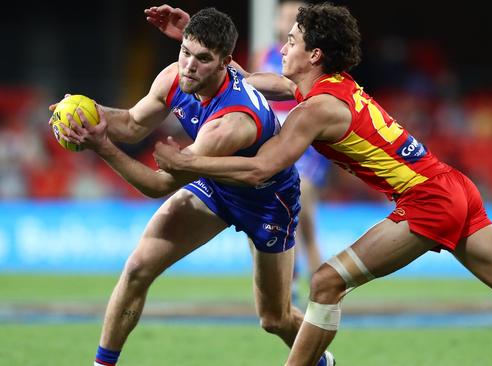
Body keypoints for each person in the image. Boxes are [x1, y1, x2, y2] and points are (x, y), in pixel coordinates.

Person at [150, 3, 492, 365]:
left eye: (291, 41)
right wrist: (197, 41)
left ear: (315, 53)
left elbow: (260, 169)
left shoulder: (317, 109)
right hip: (453, 186)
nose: (282, 46)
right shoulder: (325, 87)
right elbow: (241, 80)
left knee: (325, 282)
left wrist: (189, 164)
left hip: (428, 201)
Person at [54, 7, 333, 366]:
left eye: (202, 59)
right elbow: (133, 124)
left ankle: (322, 360)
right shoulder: (174, 77)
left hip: (268, 200)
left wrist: (101, 146)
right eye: (186, 52)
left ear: (224, 64)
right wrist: (87, 112)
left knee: (273, 319)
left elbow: (157, 185)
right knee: (138, 267)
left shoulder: (230, 123)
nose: (188, 65)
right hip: (217, 184)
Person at [251, 0, 330, 286]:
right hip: (277, 140)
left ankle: (319, 283)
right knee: (280, 218)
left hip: (306, 145)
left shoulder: (313, 59)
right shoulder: (266, 57)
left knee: (304, 213)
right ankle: (290, 284)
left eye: (294, 18)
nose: (287, 23)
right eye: (284, 17)